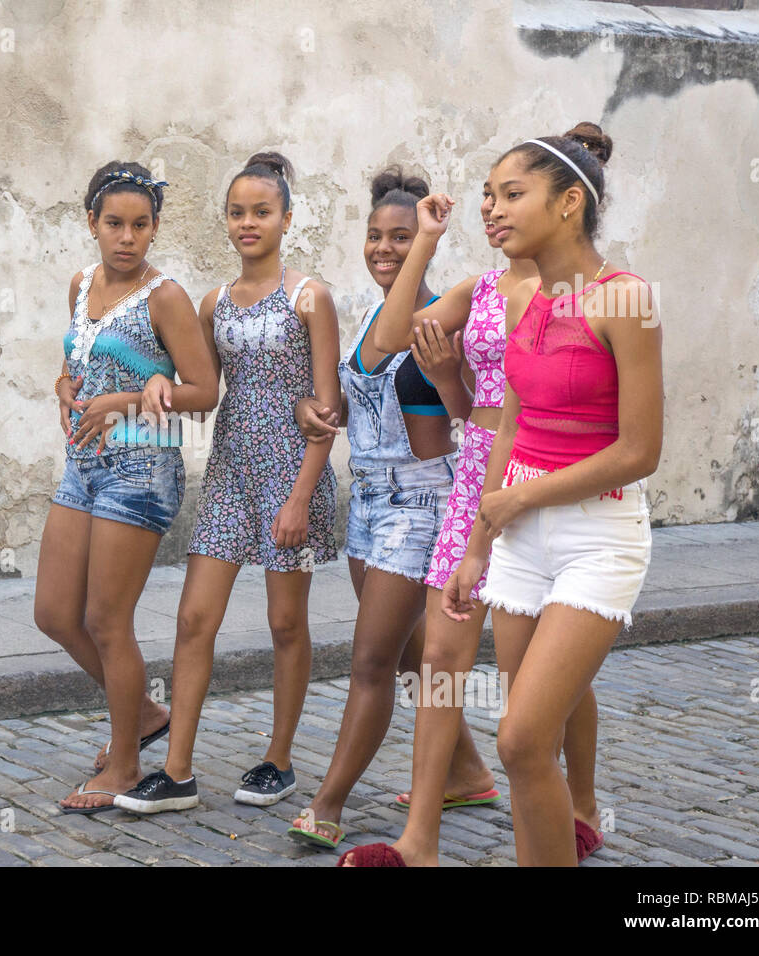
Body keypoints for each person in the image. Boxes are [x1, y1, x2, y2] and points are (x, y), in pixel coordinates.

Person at [346, 123, 662, 865]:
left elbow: (642, 449)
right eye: (486, 195)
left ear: (568, 204)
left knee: (524, 733)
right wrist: (482, 538)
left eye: (511, 194)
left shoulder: (626, 300)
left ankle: (580, 808)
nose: (491, 208)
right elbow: (505, 425)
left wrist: (519, 502)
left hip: (587, 527)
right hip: (507, 516)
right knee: (516, 742)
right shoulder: (517, 303)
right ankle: (443, 839)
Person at [114, 152, 341, 814]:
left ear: (286, 219)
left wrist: (301, 496)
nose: (248, 223)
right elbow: (204, 390)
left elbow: (326, 412)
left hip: (291, 482)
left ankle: (279, 760)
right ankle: (177, 771)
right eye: (237, 212)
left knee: (285, 622)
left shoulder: (309, 299)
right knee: (193, 618)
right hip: (229, 479)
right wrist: (157, 382)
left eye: (261, 212)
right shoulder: (213, 302)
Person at [282, 167, 493, 851]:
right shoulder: (376, 310)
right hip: (370, 501)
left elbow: (396, 345)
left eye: (400, 237)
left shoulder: (431, 316)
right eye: (376, 236)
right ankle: (466, 770)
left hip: (421, 504)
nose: (384, 248)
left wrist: (427, 241)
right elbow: (362, 389)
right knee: (405, 655)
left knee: (371, 662)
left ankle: (328, 803)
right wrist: (316, 412)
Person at [33, 161, 218, 814]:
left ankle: (126, 765)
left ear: (154, 228)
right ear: (92, 223)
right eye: (115, 223)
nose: (128, 237)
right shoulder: (81, 285)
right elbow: (72, 362)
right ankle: (141, 714)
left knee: (107, 620)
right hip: (82, 464)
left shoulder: (164, 296)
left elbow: (202, 391)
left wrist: (122, 403)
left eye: (141, 225)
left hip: (142, 470)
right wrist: (64, 390)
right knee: (55, 612)